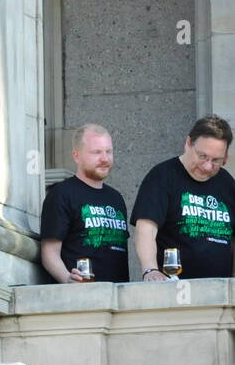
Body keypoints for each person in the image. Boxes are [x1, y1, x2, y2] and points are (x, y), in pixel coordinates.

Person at [132, 115, 235, 281]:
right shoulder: (163, 176)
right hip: (174, 290)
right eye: (202, 156)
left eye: (216, 160)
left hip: (221, 291)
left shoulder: (227, 183)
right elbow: (145, 228)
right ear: (188, 143)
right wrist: (149, 270)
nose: (207, 166)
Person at [39, 124, 129, 283]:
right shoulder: (61, 194)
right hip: (80, 296)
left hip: (117, 296)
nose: (105, 159)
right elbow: (49, 252)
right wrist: (67, 278)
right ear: (76, 156)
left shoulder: (116, 198)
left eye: (108, 151)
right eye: (96, 152)